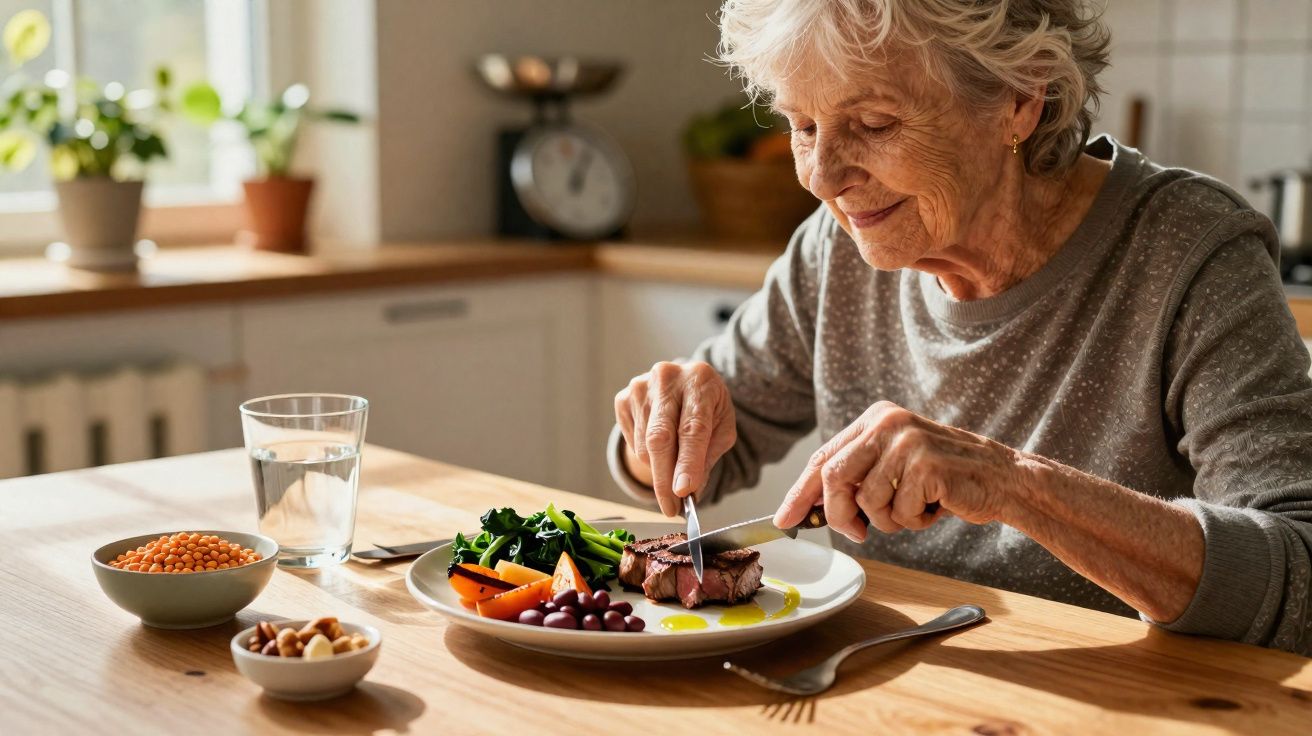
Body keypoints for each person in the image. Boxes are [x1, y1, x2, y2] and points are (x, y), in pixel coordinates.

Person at [608, 0, 1312, 656]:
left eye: (876, 124)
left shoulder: (1188, 250)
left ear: (1019, 99)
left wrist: (1013, 485)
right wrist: (661, 430)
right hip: (884, 683)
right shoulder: (837, 247)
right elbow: (697, 460)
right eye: (803, 126)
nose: (822, 176)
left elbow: (1299, 573)